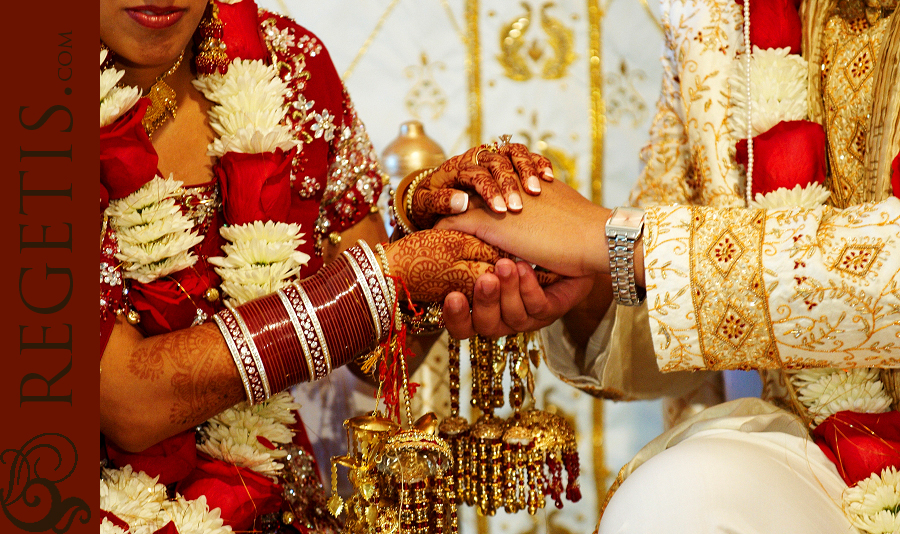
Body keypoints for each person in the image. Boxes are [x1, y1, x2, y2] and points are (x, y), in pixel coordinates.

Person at [431, 0, 900, 530]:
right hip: (819, 455)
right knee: (676, 502)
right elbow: (672, 308)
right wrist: (577, 287)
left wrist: (615, 242)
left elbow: (645, 248)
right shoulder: (714, 18)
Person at [98, 1, 553, 532]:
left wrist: (444, 232)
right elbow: (129, 404)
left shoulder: (289, 66)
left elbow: (379, 355)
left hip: (268, 499)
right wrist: (386, 279)